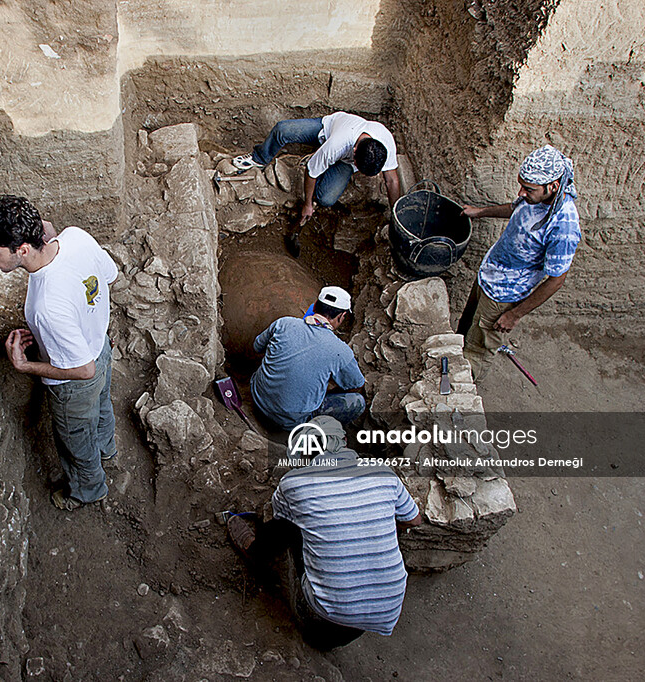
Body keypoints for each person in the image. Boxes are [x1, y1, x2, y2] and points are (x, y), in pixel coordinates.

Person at [0, 195, 119, 511]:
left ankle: (88, 490)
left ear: (23, 249)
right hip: (101, 347)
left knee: (76, 442)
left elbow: (83, 371)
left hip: (74, 385)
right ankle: (107, 448)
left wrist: (24, 366)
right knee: (102, 406)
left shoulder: (46, 306)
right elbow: (110, 275)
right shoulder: (77, 237)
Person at [227, 416, 422, 650]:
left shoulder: (294, 483)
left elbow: (281, 519)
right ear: (344, 441)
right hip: (389, 605)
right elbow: (413, 519)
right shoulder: (383, 472)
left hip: (327, 610)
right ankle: (328, 639)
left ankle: (255, 552)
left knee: (290, 526)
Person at [457, 145, 581, 382]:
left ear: (553, 186)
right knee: (467, 326)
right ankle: (454, 360)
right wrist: (480, 212)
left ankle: (463, 387)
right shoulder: (535, 198)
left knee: (478, 349)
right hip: (488, 276)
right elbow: (515, 209)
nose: (521, 193)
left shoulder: (563, 225)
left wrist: (515, 314)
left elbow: (556, 280)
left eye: (528, 189)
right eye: (522, 186)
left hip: (504, 294)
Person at [232, 111, 403, 225]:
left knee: (326, 199)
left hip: (345, 162)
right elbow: (311, 172)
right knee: (282, 130)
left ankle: (325, 164)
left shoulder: (384, 144)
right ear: (355, 151)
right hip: (327, 130)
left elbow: (392, 180)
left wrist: (397, 215)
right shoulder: (337, 144)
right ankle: (259, 158)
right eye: (358, 165)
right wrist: (307, 204)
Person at [250, 285, 366, 430]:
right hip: (290, 421)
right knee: (358, 401)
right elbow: (357, 385)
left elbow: (257, 347)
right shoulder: (341, 352)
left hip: (257, 400)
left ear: (315, 305)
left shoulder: (284, 323)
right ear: (341, 316)